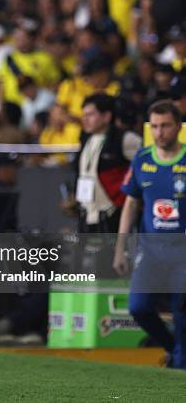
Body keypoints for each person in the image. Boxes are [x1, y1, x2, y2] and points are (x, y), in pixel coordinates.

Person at [114, 100, 186, 369]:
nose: (159, 132)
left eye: (165, 125)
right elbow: (131, 203)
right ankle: (172, 348)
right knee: (139, 307)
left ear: (178, 126)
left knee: (182, 314)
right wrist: (120, 247)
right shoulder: (142, 159)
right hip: (151, 251)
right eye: (154, 126)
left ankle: (179, 364)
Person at [73, 94, 141, 232]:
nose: (85, 119)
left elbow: (149, 161)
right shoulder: (87, 139)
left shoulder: (125, 138)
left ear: (106, 116)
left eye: (90, 114)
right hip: (87, 214)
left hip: (113, 214)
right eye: (84, 114)